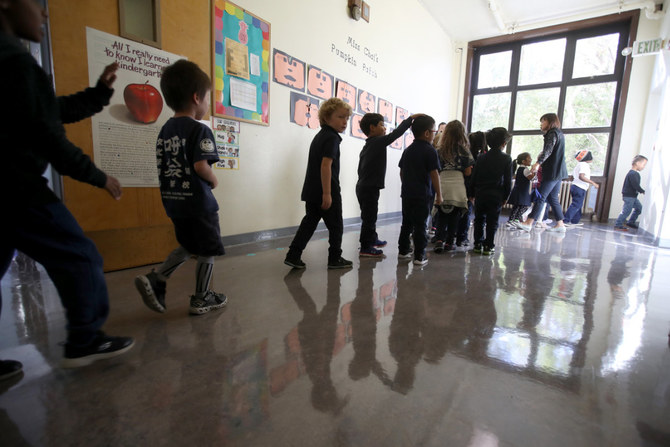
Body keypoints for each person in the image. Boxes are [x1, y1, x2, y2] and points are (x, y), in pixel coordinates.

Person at [0, 0, 134, 373]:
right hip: (16, 188)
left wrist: (98, 94)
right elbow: (50, 138)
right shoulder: (14, 61)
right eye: (37, 3)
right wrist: (99, 177)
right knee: (79, 255)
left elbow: (47, 110)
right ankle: (85, 339)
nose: (44, 13)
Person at [134, 60, 227, 316]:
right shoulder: (200, 130)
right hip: (199, 204)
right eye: (208, 98)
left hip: (175, 202)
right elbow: (200, 166)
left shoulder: (165, 129)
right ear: (197, 98)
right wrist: (213, 180)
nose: (208, 104)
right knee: (207, 249)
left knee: (188, 245)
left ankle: (157, 278)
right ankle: (201, 297)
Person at [284, 98, 353, 269]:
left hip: (311, 189)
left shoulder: (321, 136)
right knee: (336, 226)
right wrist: (327, 193)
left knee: (309, 223)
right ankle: (335, 258)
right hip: (326, 190)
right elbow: (325, 165)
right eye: (340, 117)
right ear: (327, 118)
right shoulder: (332, 138)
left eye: (347, 118)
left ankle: (293, 255)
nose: (344, 121)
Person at [357, 112, 418, 257]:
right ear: (372, 128)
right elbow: (395, 134)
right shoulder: (377, 142)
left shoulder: (369, 145)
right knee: (369, 218)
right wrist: (409, 120)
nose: (385, 129)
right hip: (368, 188)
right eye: (382, 125)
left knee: (370, 216)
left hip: (364, 186)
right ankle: (366, 247)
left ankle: (372, 238)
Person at [397, 115, 443, 266]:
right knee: (421, 225)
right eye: (435, 131)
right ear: (427, 133)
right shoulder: (430, 151)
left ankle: (403, 250)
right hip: (423, 195)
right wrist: (439, 196)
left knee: (407, 223)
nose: (435, 134)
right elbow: (434, 174)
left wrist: (407, 185)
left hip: (407, 194)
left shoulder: (408, 150)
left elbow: (401, 172)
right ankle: (419, 256)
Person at [517, 113, 568, 233]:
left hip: (552, 171)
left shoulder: (552, 133)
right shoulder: (559, 133)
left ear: (550, 122)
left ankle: (529, 222)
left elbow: (548, 150)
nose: (541, 124)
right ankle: (560, 224)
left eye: (543, 121)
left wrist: (538, 163)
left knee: (541, 196)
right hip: (559, 171)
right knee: (553, 198)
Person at [470, 127, 513, 255]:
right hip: (496, 195)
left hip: (481, 194)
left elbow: (474, 177)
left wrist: (471, 193)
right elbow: (507, 181)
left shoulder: (481, 157)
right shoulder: (506, 159)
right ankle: (489, 245)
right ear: (504, 144)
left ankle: (477, 244)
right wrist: (506, 196)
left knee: (479, 219)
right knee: (492, 221)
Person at [433, 120, 473, 252]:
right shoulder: (464, 150)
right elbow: (468, 172)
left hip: (442, 183)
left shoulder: (439, 150)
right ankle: (449, 242)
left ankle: (439, 239)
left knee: (442, 214)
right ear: (462, 134)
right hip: (457, 185)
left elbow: (435, 170)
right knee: (455, 216)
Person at [456, 131, 487, 246]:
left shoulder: (465, 153)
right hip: (473, 187)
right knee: (467, 213)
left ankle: (457, 235)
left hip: (461, 184)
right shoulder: (481, 156)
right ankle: (462, 237)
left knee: (461, 212)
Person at [564, 150, 599, 225]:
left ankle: (575, 221)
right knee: (576, 205)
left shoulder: (579, 165)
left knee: (578, 205)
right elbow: (581, 176)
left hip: (575, 186)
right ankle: (565, 221)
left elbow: (572, 177)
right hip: (580, 187)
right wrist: (593, 183)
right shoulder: (584, 165)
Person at [614, 155, 647, 231]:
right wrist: (643, 191)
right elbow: (635, 185)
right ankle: (618, 225)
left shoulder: (634, 173)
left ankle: (631, 222)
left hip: (633, 196)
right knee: (626, 211)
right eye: (643, 165)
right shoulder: (633, 174)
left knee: (639, 209)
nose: (644, 167)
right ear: (638, 163)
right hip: (629, 196)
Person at [506, 152, 534, 228]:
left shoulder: (521, 169)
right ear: (523, 161)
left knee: (518, 206)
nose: (531, 159)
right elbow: (531, 178)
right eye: (529, 158)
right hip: (522, 191)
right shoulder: (525, 170)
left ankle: (513, 220)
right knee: (523, 206)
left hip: (519, 190)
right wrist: (534, 171)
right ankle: (514, 220)